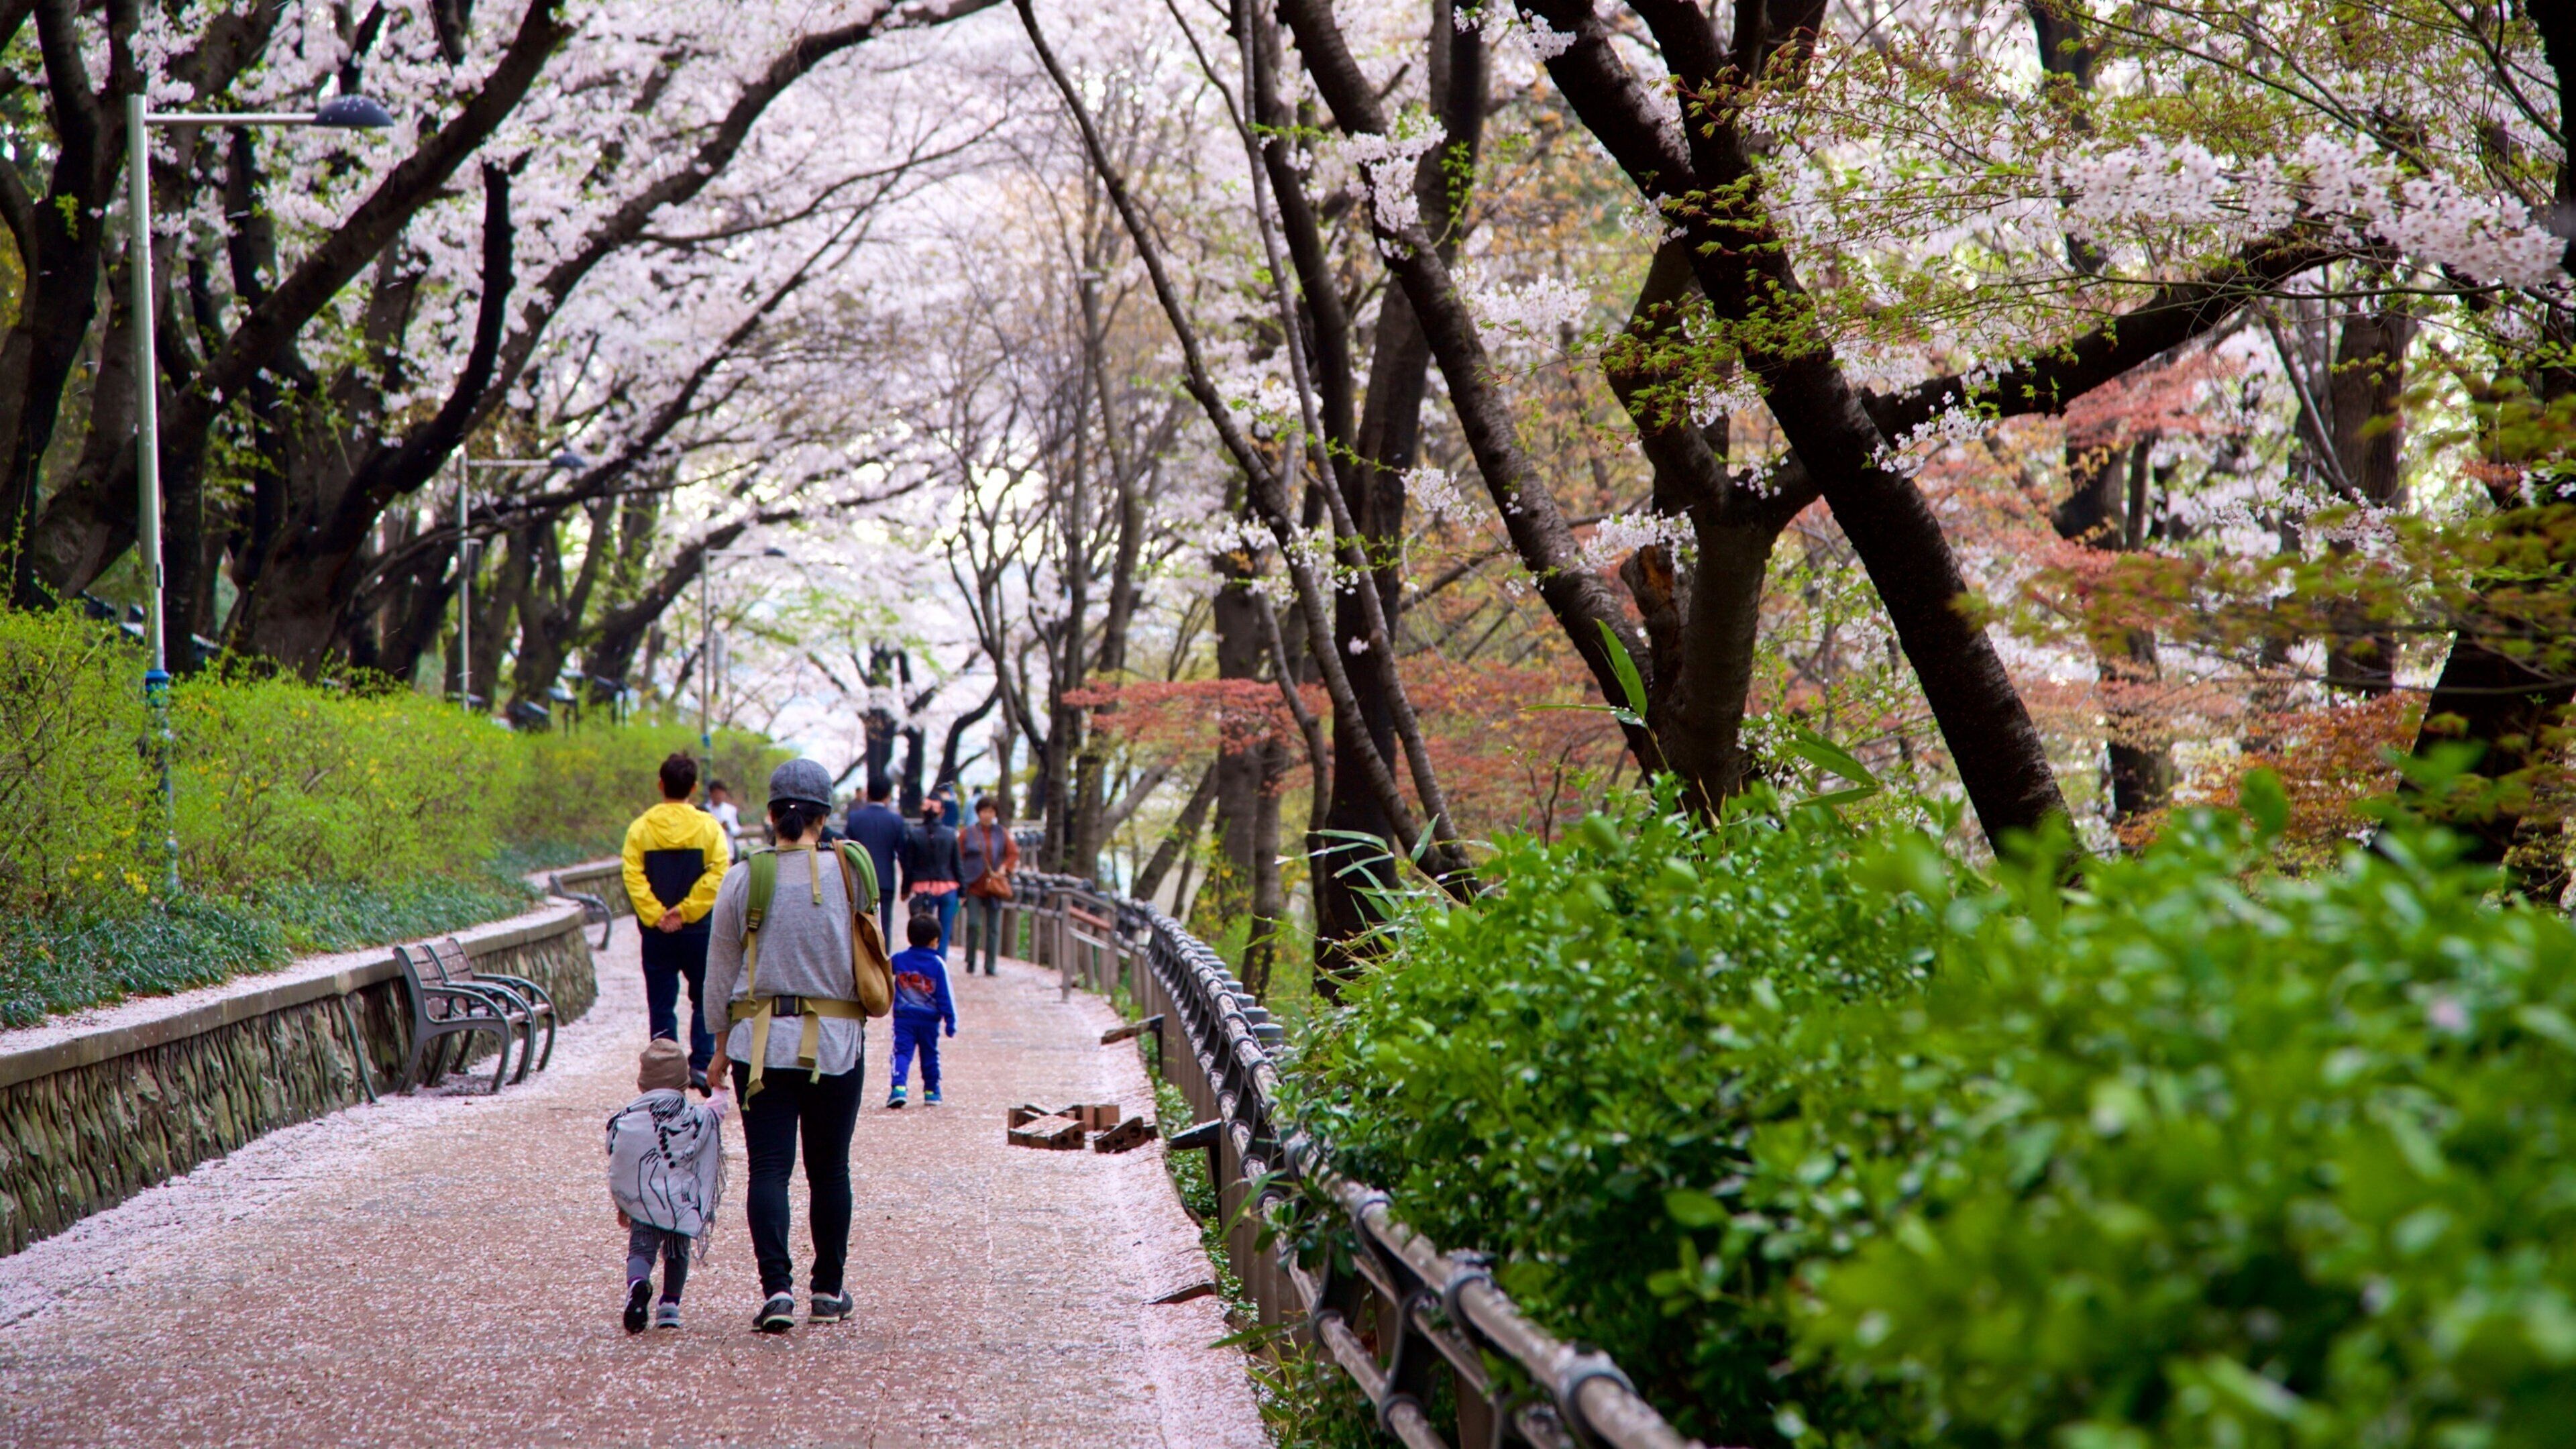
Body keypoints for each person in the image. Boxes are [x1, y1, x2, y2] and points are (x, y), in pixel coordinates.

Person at [702, 758, 867, 1334]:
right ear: (825, 818)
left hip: (759, 1046)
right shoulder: (852, 874)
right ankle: (828, 1290)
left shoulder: (745, 877)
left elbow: (719, 972)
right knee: (830, 1169)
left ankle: (777, 1291)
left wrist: (719, 1048)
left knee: (769, 1169)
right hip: (838, 1043)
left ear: (771, 815)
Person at [622, 751, 728, 1092]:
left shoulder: (641, 828)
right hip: (699, 930)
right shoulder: (709, 827)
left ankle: (665, 1073)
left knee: (662, 1001)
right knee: (704, 998)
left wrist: (657, 914)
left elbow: (633, 875)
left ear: (660, 784)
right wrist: (686, 910)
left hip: (656, 934)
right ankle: (701, 1065)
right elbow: (718, 872)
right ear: (694, 788)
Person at [606, 1038, 729, 1332]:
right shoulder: (694, 1118)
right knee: (677, 1251)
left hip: (644, 1199)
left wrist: (624, 1200)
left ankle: (637, 1286)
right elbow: (716, 1111)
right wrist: (719, 1086)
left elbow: (618, 1153)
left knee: (641, 1250)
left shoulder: (628, 1118)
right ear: (683, 1083)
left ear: (643, 1084)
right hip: (680, 1201)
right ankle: (670, 1307)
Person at [885, 914, 957, 1109]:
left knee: (902, 1052)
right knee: (930, 1054)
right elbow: (945, 995)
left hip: (904, 1018)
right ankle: (931, 1091)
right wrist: (950, 1021)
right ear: (935, 941)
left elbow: (882, 973)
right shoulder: (937, 964)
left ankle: (898, 1088)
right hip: (929, 1020)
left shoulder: (899, 960)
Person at [957, 796, 1020, 978]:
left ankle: (990, 965)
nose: (987, 815)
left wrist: (1003, 868)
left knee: (993, 928)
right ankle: (970, 961)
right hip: (974, 884)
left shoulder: (1002, 832)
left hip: (994, 886)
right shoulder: (967, 833)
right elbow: (958, 856)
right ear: (978, 813)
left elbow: (1013, 853)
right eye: (984, 811)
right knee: (974, 924)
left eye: (991, 812)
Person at [843, 782, 907, 940]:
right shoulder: (896, 821)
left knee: (857, 925)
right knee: (884, 926)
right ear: (888, 796)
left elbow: (845, 849)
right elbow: (904, 855)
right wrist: (906, 885)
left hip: (859, 879)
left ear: (867, 795)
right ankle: (883, 961)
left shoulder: (855, 818)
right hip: (885, 881)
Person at [903, 799, 963, 957]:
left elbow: (908, 866)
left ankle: (924, 964)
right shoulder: (950, 834)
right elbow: (957, 864)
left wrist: (905, 889)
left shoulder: (915, 834)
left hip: (923, 888)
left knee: (923, 933)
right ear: (941, 812)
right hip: (948, 886)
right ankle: (940, 964)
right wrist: (963, 890)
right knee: (944, 930)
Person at [705, 780, 742, 861]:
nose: (719, 796)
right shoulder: (705, 810)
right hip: (710, 851)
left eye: (721, 793)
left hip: (727, 851)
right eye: (716, 793)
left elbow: (737, 829)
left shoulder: (731, 810)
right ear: (711, 794)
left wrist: (728, 828)